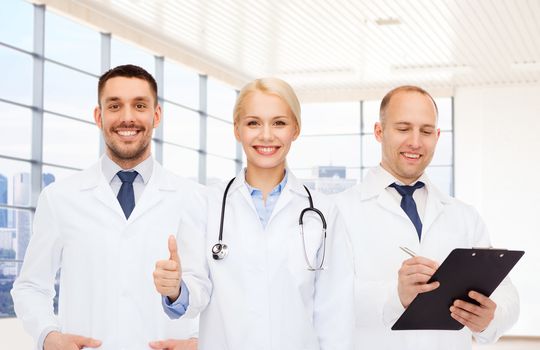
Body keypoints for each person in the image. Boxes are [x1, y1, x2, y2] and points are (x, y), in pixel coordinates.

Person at [11, 64, 210, 350]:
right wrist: (49, 337)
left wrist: (197, 340)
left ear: (156, 116)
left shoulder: (194, 198)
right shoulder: (59, 198)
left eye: (139, 105)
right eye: (115, 106)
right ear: (98, 116)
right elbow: (30, 286)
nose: (127, 118)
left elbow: (213, 292)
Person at [153, 78, 355, 349]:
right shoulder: (206, 205)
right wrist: (176, 289)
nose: (266, 135)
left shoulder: (322, 212)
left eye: (279, 123)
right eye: (253, 123)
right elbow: (195, 292)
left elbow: (335, 314)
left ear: (295, 129)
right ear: (237, 129)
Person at [335, 85, 519, 349]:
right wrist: (395, 295)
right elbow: (325, 300)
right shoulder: (339, 211)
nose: (415, 142)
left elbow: (508, 295)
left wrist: (490, 318)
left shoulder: (464, 216)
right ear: (379, 131)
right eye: (402, 128)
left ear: (437, 135)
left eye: (426, 131)